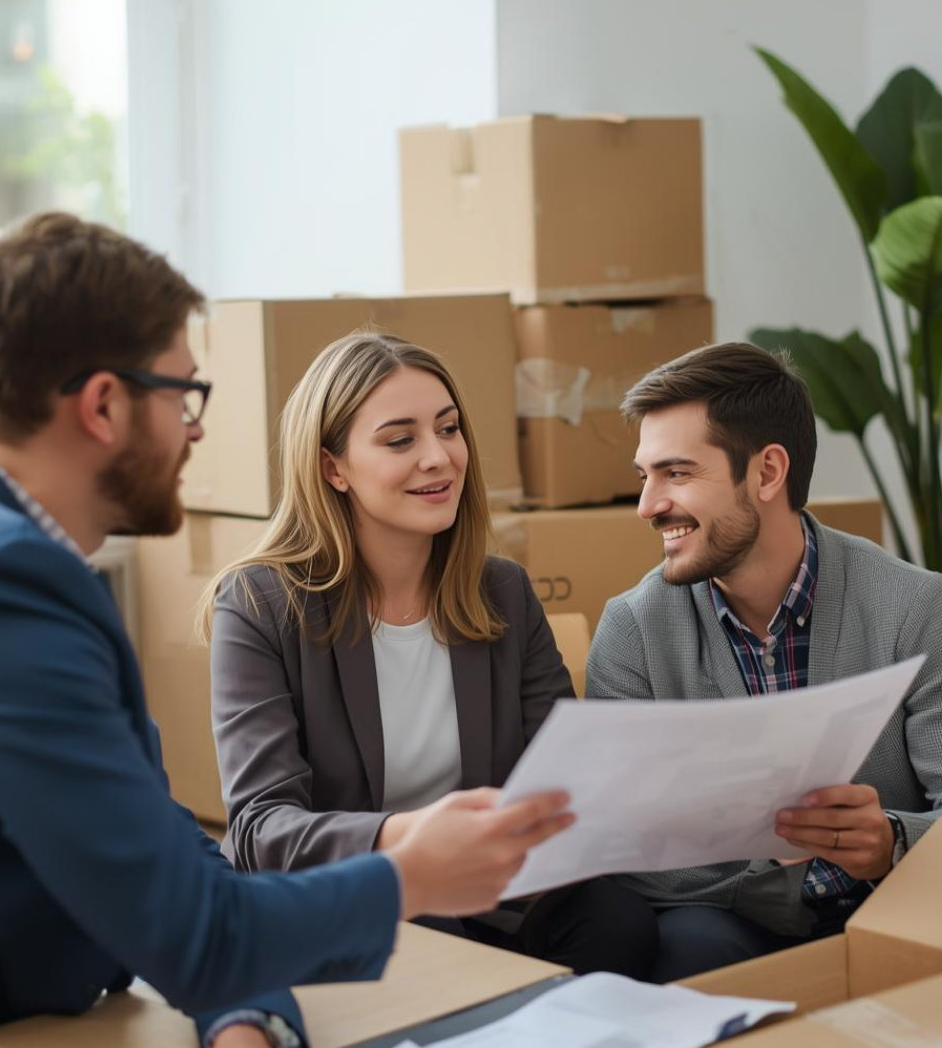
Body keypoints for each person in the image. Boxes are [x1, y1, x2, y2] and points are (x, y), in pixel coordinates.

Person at [0, 213, 574, 1048]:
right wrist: (411, 874)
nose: (197, 430)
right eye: (184, 395)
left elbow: (171, 847)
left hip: (24, 1026)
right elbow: (197, 920)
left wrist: (244, 1027)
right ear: (104, 405)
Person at [202, 331, 659, 979]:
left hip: (494, 897)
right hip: (352, 900)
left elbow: (561, 777)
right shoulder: (260, 603)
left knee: (619, 922)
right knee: (428, 928)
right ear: (333, 468)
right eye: (400, 440)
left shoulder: (503, 590)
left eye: (448, 429)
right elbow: (260, 830)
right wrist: (412, 842)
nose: (438, 458)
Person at [585, 341, 942, 983]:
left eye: (676, 473)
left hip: (897, 903)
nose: (648, 505)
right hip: (726, 920)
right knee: (687, 948)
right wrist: (774, 878)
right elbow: (620, 846)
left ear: (767, 473)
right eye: (644, 476)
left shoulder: (912, 606)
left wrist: (893, 841)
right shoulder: (634, 630)